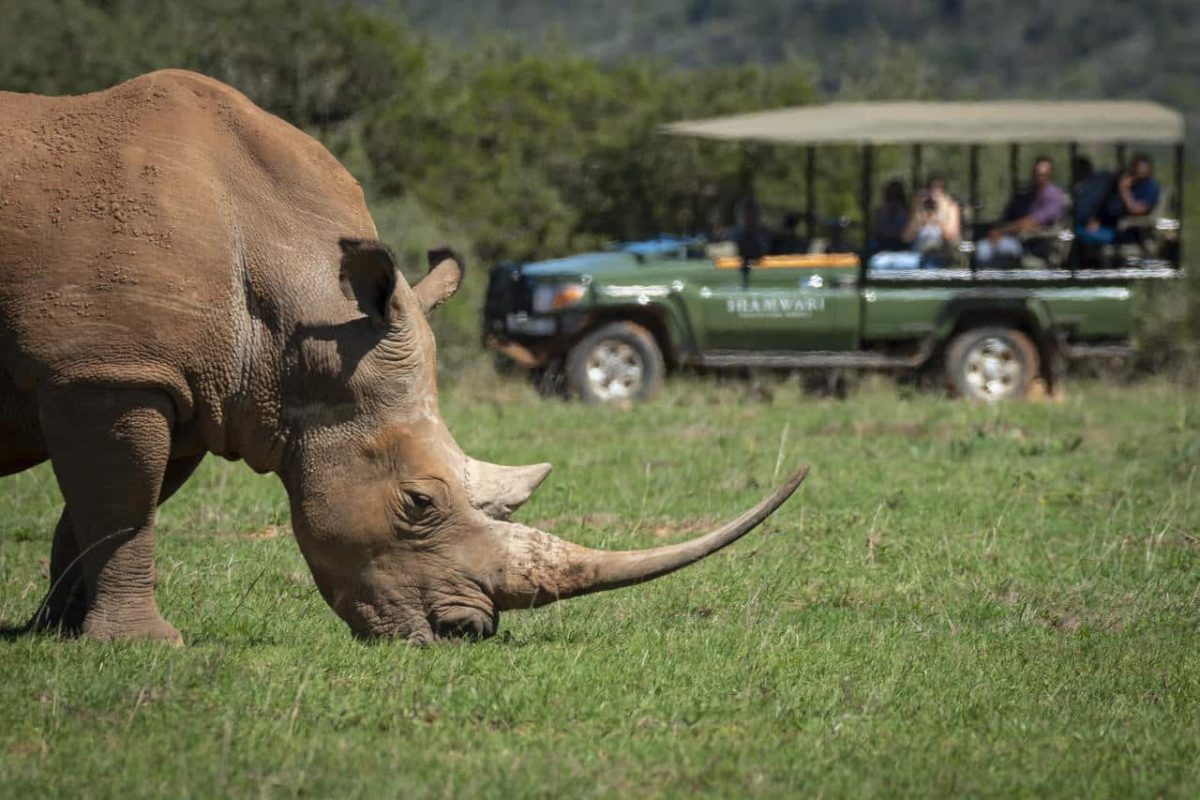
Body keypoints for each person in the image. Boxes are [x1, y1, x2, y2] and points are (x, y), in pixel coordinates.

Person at [976, 156, 1066, 268]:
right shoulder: (1026, 194)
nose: (1039, 177)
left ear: (1050, 175)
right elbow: (1008, 215)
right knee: (982, 248)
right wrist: (996, 229)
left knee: (999, 250)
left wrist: (1002, 231)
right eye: (1036, 173)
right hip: (1012, 238)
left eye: (1043, 175)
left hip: (1034, 244)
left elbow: (1032, 222)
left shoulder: (1054, 196)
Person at [870, 174, 961, 270]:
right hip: (916, 256)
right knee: (878, 262)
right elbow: (906, 238)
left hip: (939, 257)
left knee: (930, 264)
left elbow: (951, 236)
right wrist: (918, 213)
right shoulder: (920, 209)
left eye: (938, 191)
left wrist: (938, 216)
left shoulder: (951, 207)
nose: (934, 195)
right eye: (931, 190)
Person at [1077, 154, 1161, 250]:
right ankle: (1085, 218)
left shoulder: (1150, 187)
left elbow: (1136, 209)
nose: (1136, 176)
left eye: (1141, 173)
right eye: (1133, 172)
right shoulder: (1128, 182)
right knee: (1105, 176)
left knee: (1114, 204)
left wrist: (1124, 189)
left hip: (1127, 230)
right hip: (1105, 221)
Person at [733, 197, 769, 287]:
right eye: (748, 215)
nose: (752, 218)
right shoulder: (735, 235)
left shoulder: (766, 235)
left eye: (755, 214)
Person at [872, 180, 909, 253]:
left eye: (896, 191)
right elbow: (877, 229)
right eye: (892, 191)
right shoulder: (881, 210)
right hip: (882, 242)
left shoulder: (906, 211)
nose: (894, 193)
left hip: (900, 243)